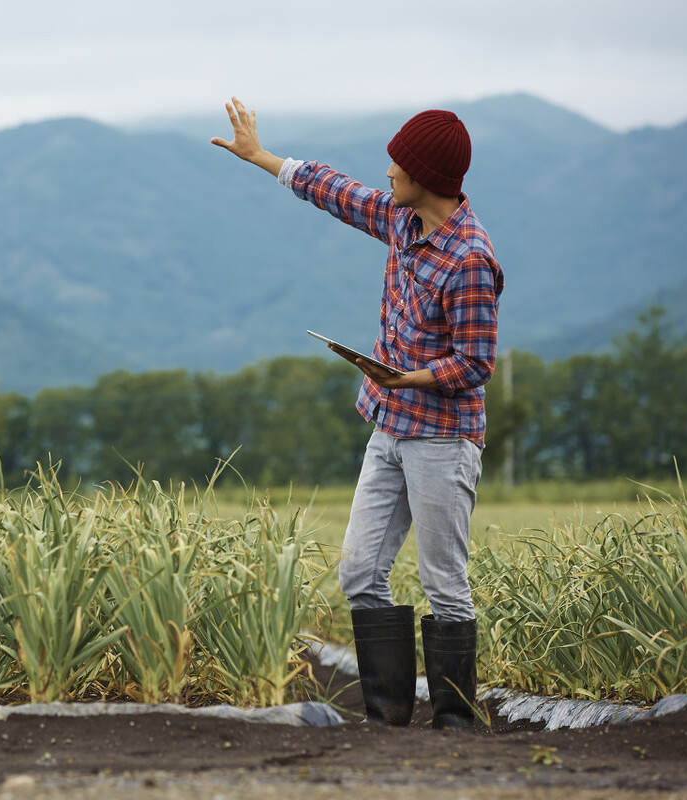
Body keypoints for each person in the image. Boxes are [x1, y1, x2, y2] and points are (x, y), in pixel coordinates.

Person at [212, 97, 502, 730]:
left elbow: (476, 364)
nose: (388, 171)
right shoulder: (401, 219)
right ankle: (387, 721)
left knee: (444, 584)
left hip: (442, 439)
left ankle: (455, 726)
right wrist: (261, 157)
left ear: (427, 176)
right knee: (360, 571)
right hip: (388, 427)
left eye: (398, 163)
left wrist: (408, 377)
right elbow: (334, 190)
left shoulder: (470, 259)